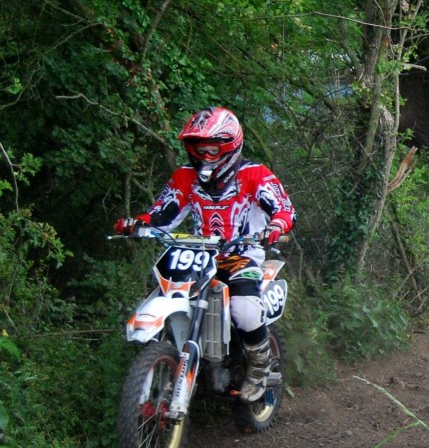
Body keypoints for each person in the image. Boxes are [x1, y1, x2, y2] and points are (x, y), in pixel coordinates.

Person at [114, 107, 296, 402]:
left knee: (244, 310)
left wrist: (276, 225)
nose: (205, 157)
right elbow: (163, 213)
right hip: (198, 253)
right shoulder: (186, 177)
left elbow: (284, 208)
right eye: (199, 150)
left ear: (229, 147)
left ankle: (260, 366)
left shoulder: (254, 174)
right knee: (163, 288)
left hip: (242, 254)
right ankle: (171, 359)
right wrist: (139, 223)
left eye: (212, 150)